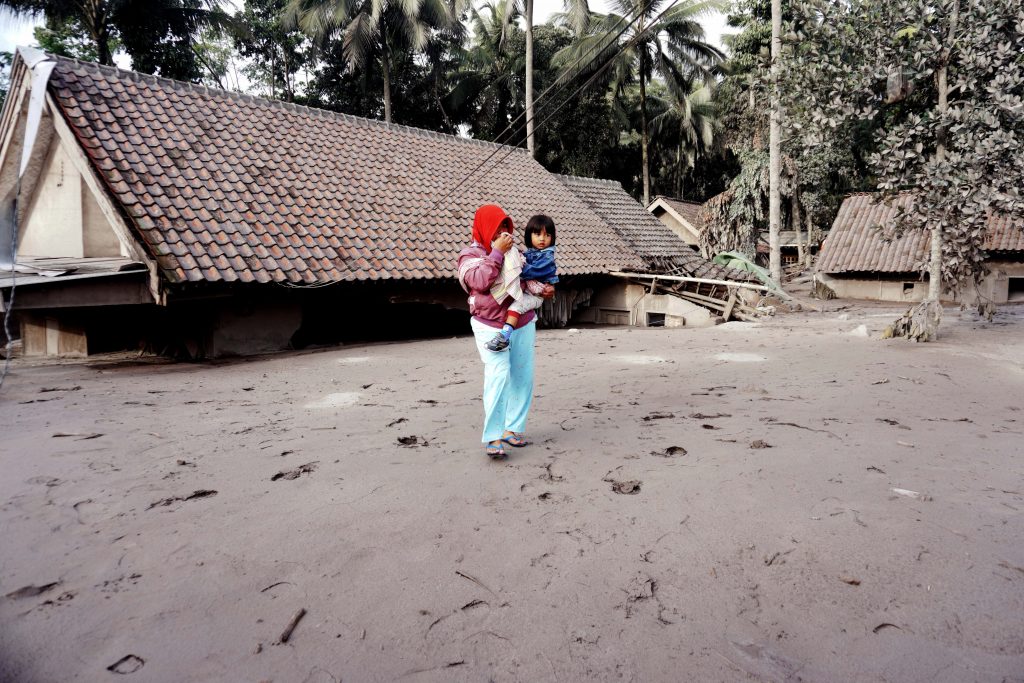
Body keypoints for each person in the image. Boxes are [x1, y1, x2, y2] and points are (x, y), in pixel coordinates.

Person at [457, 205, 555, 459]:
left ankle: (513, 428)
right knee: (499, 375)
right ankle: (493, 436)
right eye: (498, 227)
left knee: (523, 377)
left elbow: (524, 282)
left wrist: (543, 290)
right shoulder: (470, 255)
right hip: (489, 325)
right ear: (484, 227)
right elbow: (479, 282)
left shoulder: (517, 253)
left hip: (521, 321)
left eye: (506, 227)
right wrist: (496, 253)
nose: (503, 232)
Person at [485, 214, 559, 352]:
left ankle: (504, 338)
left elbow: (530, 272)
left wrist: (517, 264)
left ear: (552, 238)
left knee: (516, 308)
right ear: (529, 236)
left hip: (536, 296)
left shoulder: (547, 257)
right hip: (528, 290)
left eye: (547, 235)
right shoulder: (531, 252)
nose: (542, 239)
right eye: (537, 234)